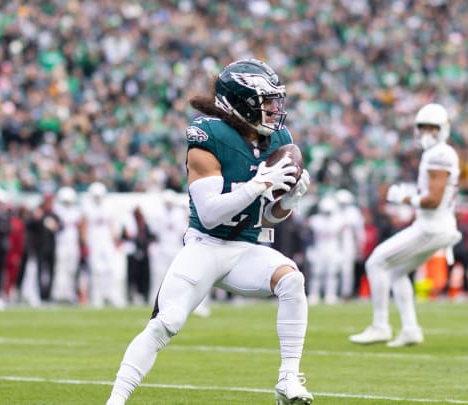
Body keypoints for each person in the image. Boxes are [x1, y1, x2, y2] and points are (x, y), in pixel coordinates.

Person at [106, 59, 313, 405]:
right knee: (164, 324)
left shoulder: (277, 138)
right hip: (205, 245)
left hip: (245, 248)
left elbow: (268, 217)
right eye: (267, 101)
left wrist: (288, 200)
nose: (275, 109)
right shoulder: (209, 135)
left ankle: (288, 379)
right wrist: (259, 183)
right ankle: (116, 400)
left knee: (292, 280)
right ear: (243, 101)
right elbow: (211, 212)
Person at [349, 103, 461, 347]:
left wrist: (404, 198)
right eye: (423, 128)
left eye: (432, 128)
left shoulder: (439, 154)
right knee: (397, 272)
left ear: (442, 129)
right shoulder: (438, 154)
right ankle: (410, 329)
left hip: (432, 228)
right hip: (437, 227)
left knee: (376, 261)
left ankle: (380, 326)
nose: (427, 133)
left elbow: (432, 200)